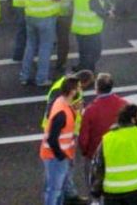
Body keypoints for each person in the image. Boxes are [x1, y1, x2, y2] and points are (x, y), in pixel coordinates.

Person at [92, 103, 137, 205]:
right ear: (133, 119)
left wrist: (96, 191)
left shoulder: (107, 139)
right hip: (136, 191)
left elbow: (98, 166)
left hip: (111, 193)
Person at [21, 0, 64, 88]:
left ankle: (24, 76)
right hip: (45, 17)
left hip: (30, 15)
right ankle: (41, 79)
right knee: (45, 48)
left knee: (30, 46)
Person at [40, 76, 80, 205]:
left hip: (57, 155)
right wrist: (61, 155)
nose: (80, 90)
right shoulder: (62, 113)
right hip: (56, 156)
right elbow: (52, 138)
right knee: (54, 190)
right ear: (72, 91)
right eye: (78, 88)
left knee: (57, 188)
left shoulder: (61, 102)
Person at [79, 74, 128, 164]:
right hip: (119, 150)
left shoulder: (90, 110)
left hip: (97, 153)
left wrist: (86, 152)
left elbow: (84, 136)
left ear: (96, 88)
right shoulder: (124, 104)